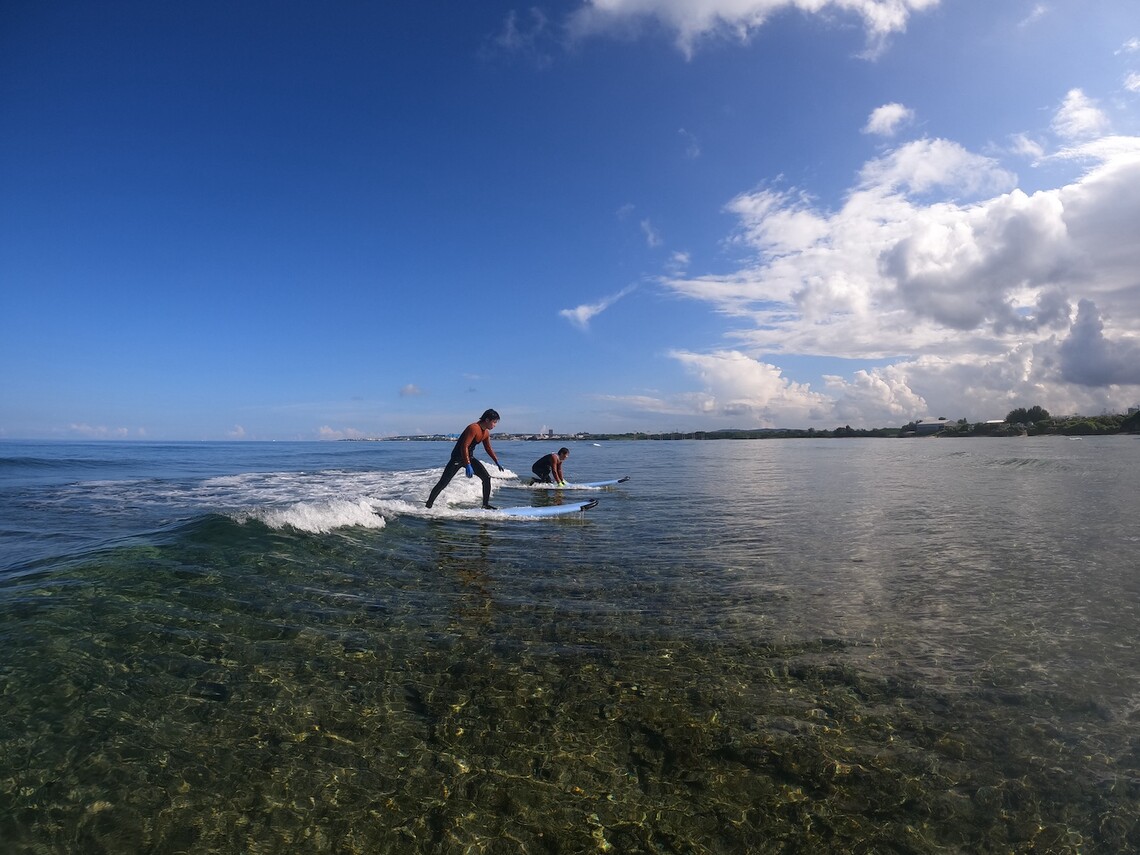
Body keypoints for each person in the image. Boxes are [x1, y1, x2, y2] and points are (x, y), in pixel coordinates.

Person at [426, 409, 504, 510]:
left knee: (486, 478)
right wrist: (468, 465)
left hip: (469, 457)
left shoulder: (485, 433)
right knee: (443, 483)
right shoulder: (473, 428)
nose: (495, 425)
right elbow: (464, 446)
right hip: (457, 458)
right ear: (487, 420)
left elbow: (488, 448)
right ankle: (428, 505)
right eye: (494, 422)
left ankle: (485, 505)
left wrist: (496, 461)